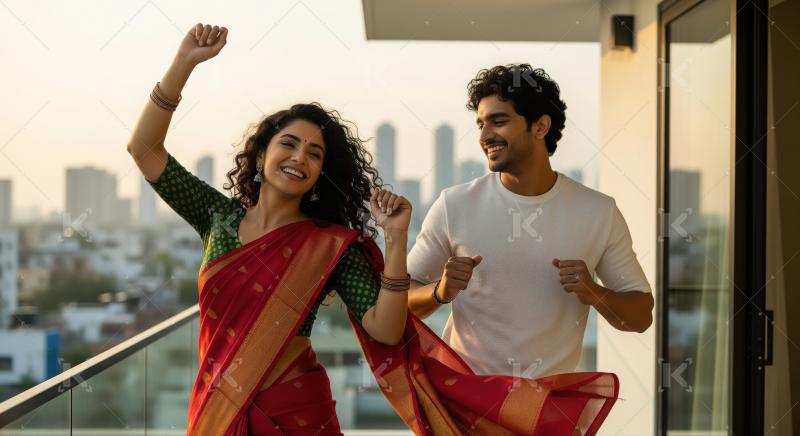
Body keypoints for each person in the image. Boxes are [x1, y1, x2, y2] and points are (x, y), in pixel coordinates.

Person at [129, 25, 620, 435]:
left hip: (295, 412)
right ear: (261, 154)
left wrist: (397, 237)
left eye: (315, 154)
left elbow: (386, 329)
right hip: (215, 407)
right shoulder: (217, 217)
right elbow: (145, 150)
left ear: (323, 173)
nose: (300, 157)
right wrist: (184, 62)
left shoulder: (329, 247)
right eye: (289, 143)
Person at [407, 64, 655, 380]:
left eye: (498, 121)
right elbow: (400, 301)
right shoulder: (453, 205)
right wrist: (439, 291)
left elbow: (640, 317)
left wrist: (594, 292)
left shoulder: (598, 211)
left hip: (548, 414)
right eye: (481, 124)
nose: (484, 136)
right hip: (464, 407)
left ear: (540, 127)